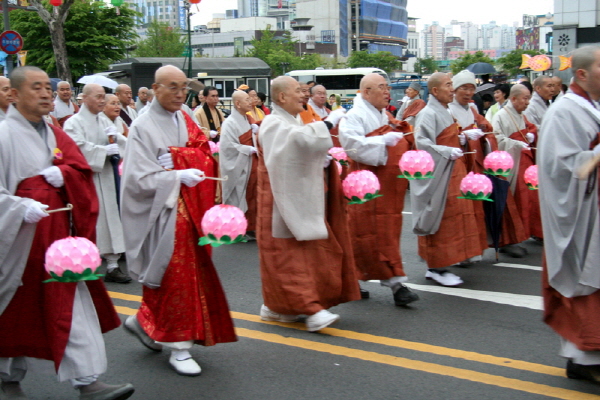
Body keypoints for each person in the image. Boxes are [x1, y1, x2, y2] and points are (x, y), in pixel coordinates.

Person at [0, 66, 133, 400]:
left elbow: (78, 168)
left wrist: (64, 174)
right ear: (14, 95)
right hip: (18, 242)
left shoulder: (54, 132)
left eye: (48, 87)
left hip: (58, 242)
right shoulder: (3, 136)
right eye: (37, 88)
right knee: (14, 309)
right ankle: (8, 379)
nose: (46, 93)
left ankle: (88, 381)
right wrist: (19, 207)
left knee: (71, 305)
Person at [121, 65, 236, 376]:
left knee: (184, 277)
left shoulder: (183, 117)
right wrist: (173, 174)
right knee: (174, 277)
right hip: (163, 213)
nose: (179, 93)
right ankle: (179, 346)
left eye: (183, 87)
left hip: (187, 209)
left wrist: (180, 160)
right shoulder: (143, 126)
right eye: (172, 87)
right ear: (154, 89)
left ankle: (145, 323)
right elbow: (135, 180)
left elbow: (203, 152)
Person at [257, 76, 360, 331]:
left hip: (294, 197)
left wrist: (321, 161)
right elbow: (294, 147)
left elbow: (302, 147)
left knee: (301, 255)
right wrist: (325, 124)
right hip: (279, 201)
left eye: (305, 91)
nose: (305, 95)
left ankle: (279, 307)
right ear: (281, 97)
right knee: (286, 258)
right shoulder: (271, 122)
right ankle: (309, 308)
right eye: (299, 91)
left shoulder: (292, 120)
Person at [538, 45, 600, 383]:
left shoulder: (591, 107)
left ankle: (585, 357)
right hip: (581, 214)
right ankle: (584, 358)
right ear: (581, 74)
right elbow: (561, 167)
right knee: (585, 282)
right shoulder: (564, 112)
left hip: (595, 210)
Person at [339, 73, 419, 306]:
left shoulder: (385, 115)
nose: (387, 92)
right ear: (366, 92)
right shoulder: (353, 116)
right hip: (364, 184)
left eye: (387, 87)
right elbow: (352, 147)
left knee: (385, 232)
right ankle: (396, 286)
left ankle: (354, 278)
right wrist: (382, 141)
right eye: (381, 87)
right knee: (365, 233)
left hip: (386, 186)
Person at [410, 72, 485, 287]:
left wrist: (461, 138)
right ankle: (435, 268)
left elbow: (446, 136)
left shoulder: (444, 110)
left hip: (452, 172)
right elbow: (422, 144)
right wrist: (445, 149)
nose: (452, 89)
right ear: (435, 91)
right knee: (440, 218)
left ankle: (446, 262)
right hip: (440, 175)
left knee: (453, 218)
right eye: (448, 85)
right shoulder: (428, 113)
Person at [448, 71, 528, 258]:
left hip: (480, 162)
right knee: (466, 207)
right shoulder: (448, 110)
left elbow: (489, 131)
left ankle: (503, 239)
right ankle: (465, 250)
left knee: (496, 202)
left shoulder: (472, 110)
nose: (468, 93)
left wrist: (484, 136)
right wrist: (464, 137)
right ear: (454, 89)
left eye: (471, 89)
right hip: (462, 164)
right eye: (464, 88)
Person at [64, 84, 130, 284]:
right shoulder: (73, 123)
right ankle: (82, 262)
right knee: (88, 221)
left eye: (104, 97)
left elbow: (120, 144)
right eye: (99, 97)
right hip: (87, 179)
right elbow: (76, 147)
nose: (102, 101)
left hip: (108, 177)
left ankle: (112, 264)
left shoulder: (104, 120)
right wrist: (102, 151)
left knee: (111, 218)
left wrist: (116, 139)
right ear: (84, 98)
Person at [492, 84, 543, 241]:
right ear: (513, 99)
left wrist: (532, 135)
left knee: (532, 200)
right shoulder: (501, 115)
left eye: (529, 98)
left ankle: (532, 231)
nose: (527, 102)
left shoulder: (522, 115)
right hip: (514, 163)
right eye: (525, 98)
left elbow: (531, 129)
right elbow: (497, 139)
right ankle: (512, 238)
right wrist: (516, 144)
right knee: (517, 201)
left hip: (526, 163)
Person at [220, 90, 258, 238]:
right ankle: (235, 229)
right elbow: (227, 147)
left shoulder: (247, 119)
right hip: (239, 164)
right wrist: (246, 148)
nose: (250, 102)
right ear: (237, 103)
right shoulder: (230, 123)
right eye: (247, 99)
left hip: (250, 163)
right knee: (239, 194)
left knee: (252, 193)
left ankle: (250, 226)